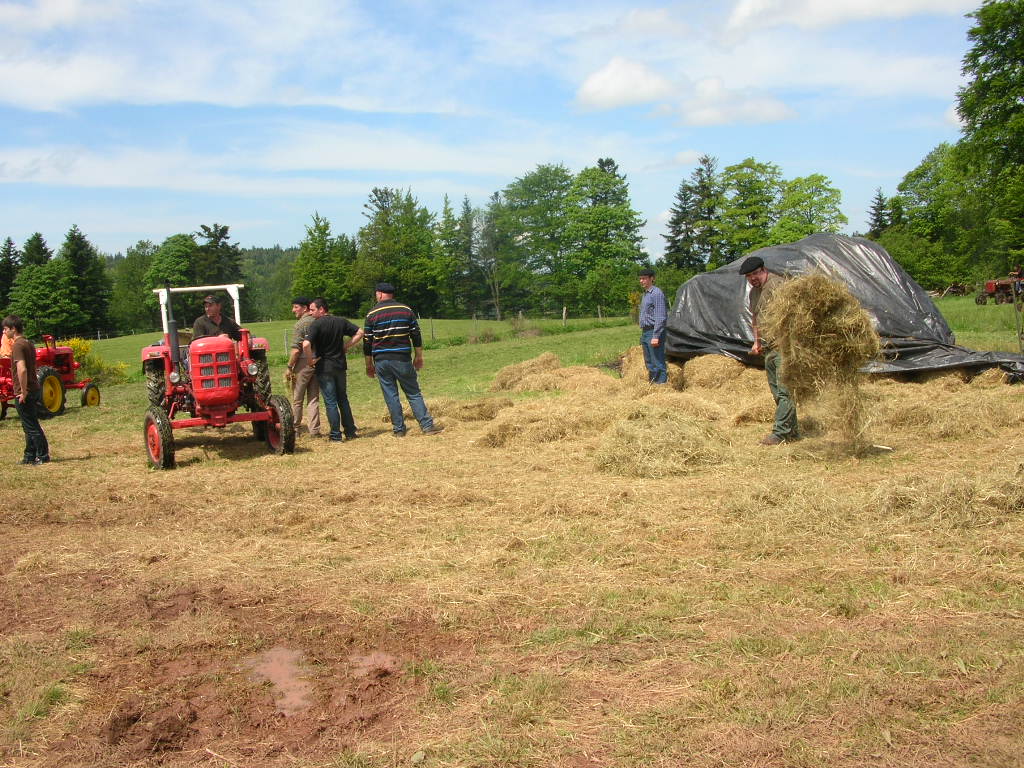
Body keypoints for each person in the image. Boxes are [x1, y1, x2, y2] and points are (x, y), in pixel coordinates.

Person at [363, 282, 443, 437]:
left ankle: (399, 430)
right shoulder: (406, 310)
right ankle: (427, 426)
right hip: (402, 358)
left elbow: (367, 342)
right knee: (413, 393)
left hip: (381, 360)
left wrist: (368, 365)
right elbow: (416, 334)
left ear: (379, 294)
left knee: (390, 395)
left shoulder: (371, 314)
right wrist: (418, 356)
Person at [739, 256, 798, 445]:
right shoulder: (754, 293)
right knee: (776, 391)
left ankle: (780, 433)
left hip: (785, 345)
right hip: (769, 346)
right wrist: (756, 342)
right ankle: (792, 430)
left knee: (785, 390)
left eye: (755, 274)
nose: (752, 279)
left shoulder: (778, 285)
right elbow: (755, 319)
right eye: (748, 276)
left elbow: (794, 314)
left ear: (763, 270)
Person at [302, 298, 363, 442]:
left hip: (324, 367)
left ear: (322, 309)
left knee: (330, 401)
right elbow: (360, 332)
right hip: (340, 365)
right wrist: (345, 347)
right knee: (343, 398)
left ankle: (335, 435)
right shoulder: (341, 321)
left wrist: (310, 361)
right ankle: (350, 431)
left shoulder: (316, 324)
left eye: (312, 310)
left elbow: (305, 345)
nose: (310, 313)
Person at [3, 315, 50, 465]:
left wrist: (23, 392)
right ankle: (29, 456)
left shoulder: (17, 345)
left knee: (31, 425)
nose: (4, 332)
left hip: (25, 390)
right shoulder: (28, 343)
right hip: (34, 387)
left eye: (5, 329)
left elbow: (21, 369)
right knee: (27, 424)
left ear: (13, 329)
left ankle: (43, 456)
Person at [285, 297, 321, 438]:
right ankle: (314, 430)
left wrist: (289, 367)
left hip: (303, 363)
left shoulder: (300, 324)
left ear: (305, 308)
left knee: (298, 398)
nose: (293, 310)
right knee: (313, 398)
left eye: (296, 307)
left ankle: (295, 429)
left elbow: (296, 350)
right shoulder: (317, 321)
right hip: (317, 361)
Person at [637, 268, 668, 384]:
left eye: (644, 278)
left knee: (657, 361)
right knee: (649, 361)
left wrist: (656, 335)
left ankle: (661, 387)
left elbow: (661, 316)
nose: (641, 281)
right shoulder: (645, 294)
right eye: (640, 279)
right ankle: (653, 384)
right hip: (646, 332)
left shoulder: (656, 293)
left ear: (652, 279)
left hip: (654, 331)